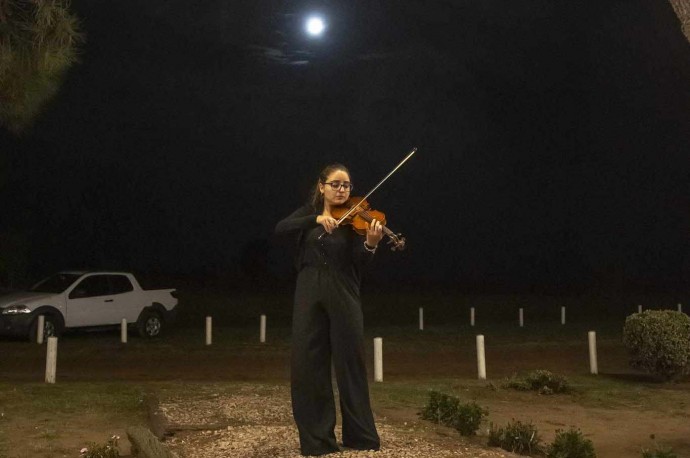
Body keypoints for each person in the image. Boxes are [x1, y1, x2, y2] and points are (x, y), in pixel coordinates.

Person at [275, 163, 383, 456]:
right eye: (335, 184)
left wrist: (371, 244)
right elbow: (281, 228)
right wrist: (316, 219)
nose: (342, 190)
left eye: (346, 185)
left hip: (343, 289)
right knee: (308, 363)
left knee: (350, 363)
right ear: (321, 186)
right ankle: (318, 441)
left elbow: (360, 261)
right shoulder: (309, 214)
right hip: (308, 289)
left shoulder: (355, 218)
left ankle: (360, 436)